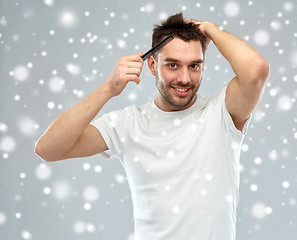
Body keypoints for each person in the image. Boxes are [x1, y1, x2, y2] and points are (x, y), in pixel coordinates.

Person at [35, 12, 269, 240]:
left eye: (194, 66)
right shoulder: (127, 123)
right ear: (151, 65)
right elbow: (48, 149)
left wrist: (209, 28)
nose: (185, 79)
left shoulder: (222, 113)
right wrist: (108, 89)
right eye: (173, 65)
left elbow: (256, 69)